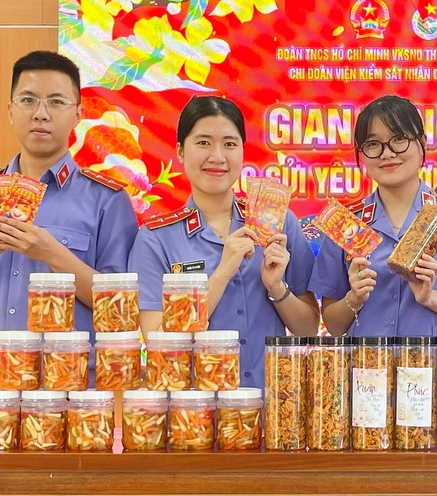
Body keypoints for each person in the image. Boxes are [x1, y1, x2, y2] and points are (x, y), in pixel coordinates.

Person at [0, 50, 139, 433]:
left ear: (78, 114)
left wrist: (51, 253)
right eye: (29, 100)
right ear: (10, 110)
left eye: (56, 102)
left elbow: (121, 312)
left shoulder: (106, 200)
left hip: (70, 400)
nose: (41, 113)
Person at [128, 96, 319, 389]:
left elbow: (308, 328)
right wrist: (221, 274)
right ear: (180, 151)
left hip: (271, 404)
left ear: (243, 152)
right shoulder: (155, 239)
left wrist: (277, 289)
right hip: (194, 410)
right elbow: (158, 345)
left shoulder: (278, 223)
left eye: (229, 144)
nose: (217, 156)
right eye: (203, 142)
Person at [309, 95, 437, 337]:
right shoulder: (346, 222)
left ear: (422, 143)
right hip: (368, 360)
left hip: (436, 360)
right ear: (361, 153)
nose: (387, 153)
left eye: (399, 139)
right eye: (373, 144)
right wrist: (354, 297)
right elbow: (334, 325)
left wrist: (431, 298)